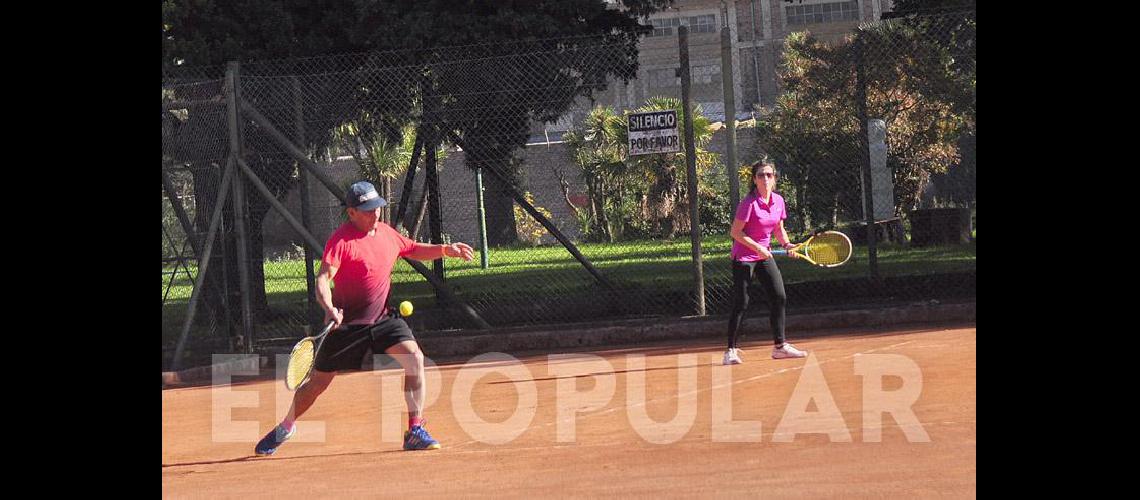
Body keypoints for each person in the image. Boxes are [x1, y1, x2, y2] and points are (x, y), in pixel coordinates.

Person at [256, 181, 474, 455]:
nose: (376, 214)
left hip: (382, 320)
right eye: (368, 210)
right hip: (347, 324)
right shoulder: (340, 241)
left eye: (378, 208)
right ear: (352, 213)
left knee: (415, 358)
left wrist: (444, 249)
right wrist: (329, 307)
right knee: (317, 384)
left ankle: (415, 430)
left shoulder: (386, 233)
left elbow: (412, 249)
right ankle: (287, 426)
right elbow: (323, 279)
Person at [723, 159, 808, 365]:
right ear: (754, 180)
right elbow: (735, 232)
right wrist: (758, 248)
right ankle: (730, 351)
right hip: (744, 256)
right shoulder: (748, 204)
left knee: (779, 296)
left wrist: (787, 245)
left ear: (774, 178)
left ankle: (780, 347)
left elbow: (778, 228)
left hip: (764, 255)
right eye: (761, 175)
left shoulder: (778, 201)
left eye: (769, 175)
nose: (765, 179)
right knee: (742, 302)